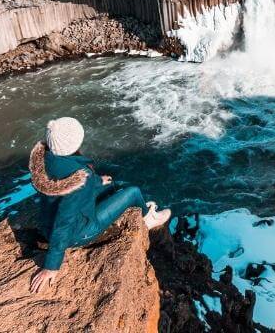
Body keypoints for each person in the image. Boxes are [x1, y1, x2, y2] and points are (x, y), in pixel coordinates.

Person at [28, 117, 171, 293]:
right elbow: (64, 222)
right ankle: (148, 219)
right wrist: (51, 265)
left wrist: (97, 181)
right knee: (133, 192)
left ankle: (111, 190)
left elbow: (69, 179)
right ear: (74, 143)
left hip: (45, 225)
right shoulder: (80, 179)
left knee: (109, 184)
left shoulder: (43, 161)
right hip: (81, 232)